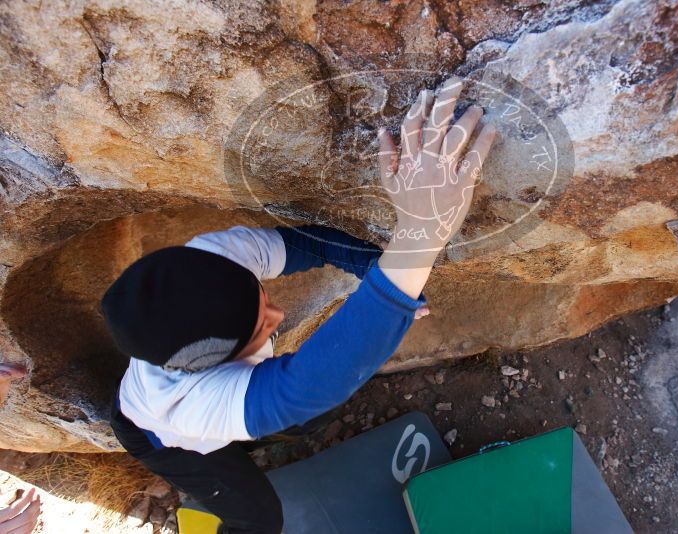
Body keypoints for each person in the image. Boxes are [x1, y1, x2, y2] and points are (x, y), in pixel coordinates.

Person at [101, 76, 496, 534]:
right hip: (160, 439)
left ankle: (257, 435)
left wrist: (376, 267)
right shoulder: (187, 403)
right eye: (259, 329)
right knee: (260, 518)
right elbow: (305, 386)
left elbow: (309, 245)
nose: (279, 317)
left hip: (222, 400)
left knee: (311, 416)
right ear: (207, 366)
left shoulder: (211, 258)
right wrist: (420, 235)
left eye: (262, 301)